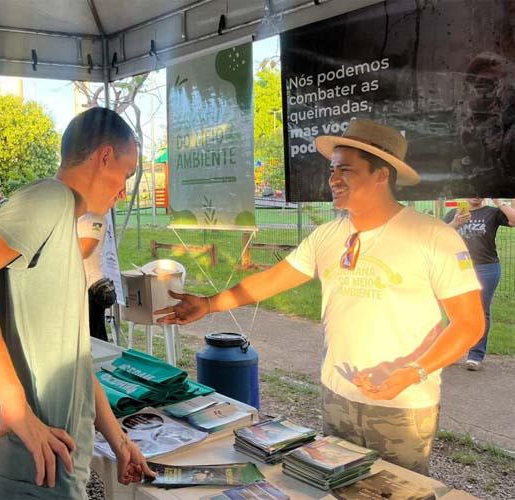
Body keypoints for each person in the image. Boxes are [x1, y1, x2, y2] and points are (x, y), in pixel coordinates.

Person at [156, 119, 485, 475]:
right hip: (337, 394)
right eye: (332, 170)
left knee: (397, 493)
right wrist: (208, 304)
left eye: (346, 170)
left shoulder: (432, 236)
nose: (333, 179)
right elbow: (270, 281)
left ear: (381, 176)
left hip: (402, 406)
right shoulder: (327, 235)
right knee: (339, 486)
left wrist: (413, 371)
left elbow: (469, 323)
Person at [0, 107, 154, 499]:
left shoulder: (60, 225)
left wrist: (119, 441)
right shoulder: (51, 199)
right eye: (127, 173)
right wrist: (15, 404)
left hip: (45, 475)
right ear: (104, 157)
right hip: (15, 478)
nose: (124, 190)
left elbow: (73, 360)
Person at [444, 197, 515, 370]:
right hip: (460, 268)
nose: (475, 194)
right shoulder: (454, 213)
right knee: (456, 311)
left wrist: (498, 201)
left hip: (487, 268)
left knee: (481, 310)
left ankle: (475, 355)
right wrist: (455, 223)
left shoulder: (492, 212)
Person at [77, 212, 117, 342]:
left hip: (91, 287)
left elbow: (84, 250)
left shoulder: (96, 217)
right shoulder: (76, 216)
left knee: (93, 341)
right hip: (81, 287)